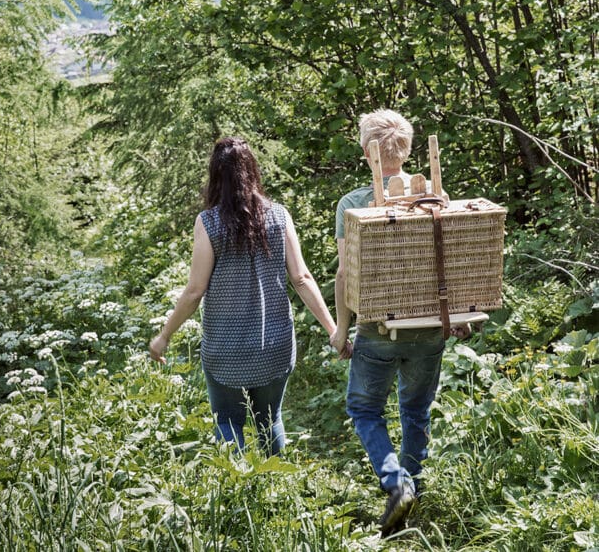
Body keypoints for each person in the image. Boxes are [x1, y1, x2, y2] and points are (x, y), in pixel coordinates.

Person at [150, 137, 352, 456]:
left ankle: (240, 491)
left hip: (224, 347)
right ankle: (273, 487)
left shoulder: (208, 222)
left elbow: (194, 290)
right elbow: (301, 278)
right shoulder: (279, 216)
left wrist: (163, 337)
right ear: (252, 171)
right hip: (274, 344)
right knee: (269, 421)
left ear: (216, 176)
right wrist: (334, 331)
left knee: (228, 421)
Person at [330, 109, 468, 537]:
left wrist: (340, 327)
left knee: (365, 408)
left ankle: (395, 483)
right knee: (416, 409)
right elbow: (452, 262)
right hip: (429, 327)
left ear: (365, 148)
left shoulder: (354, 203)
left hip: (377, 328)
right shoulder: (436, 198)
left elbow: (344, 273)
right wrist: (459, 312)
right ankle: (414, 496)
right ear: (406, 148)